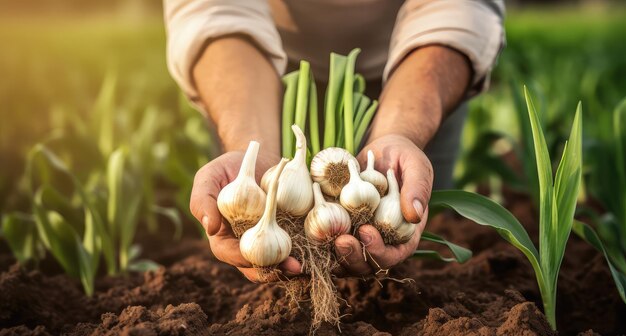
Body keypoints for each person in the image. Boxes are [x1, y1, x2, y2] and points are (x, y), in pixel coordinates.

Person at [164, 0, 505, 282]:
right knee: (251, 280)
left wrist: (399, 133)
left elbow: (458, 9)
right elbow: (215, 8)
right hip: (250, 78)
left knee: (415, 272)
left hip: (418, 72)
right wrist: (249, 144)